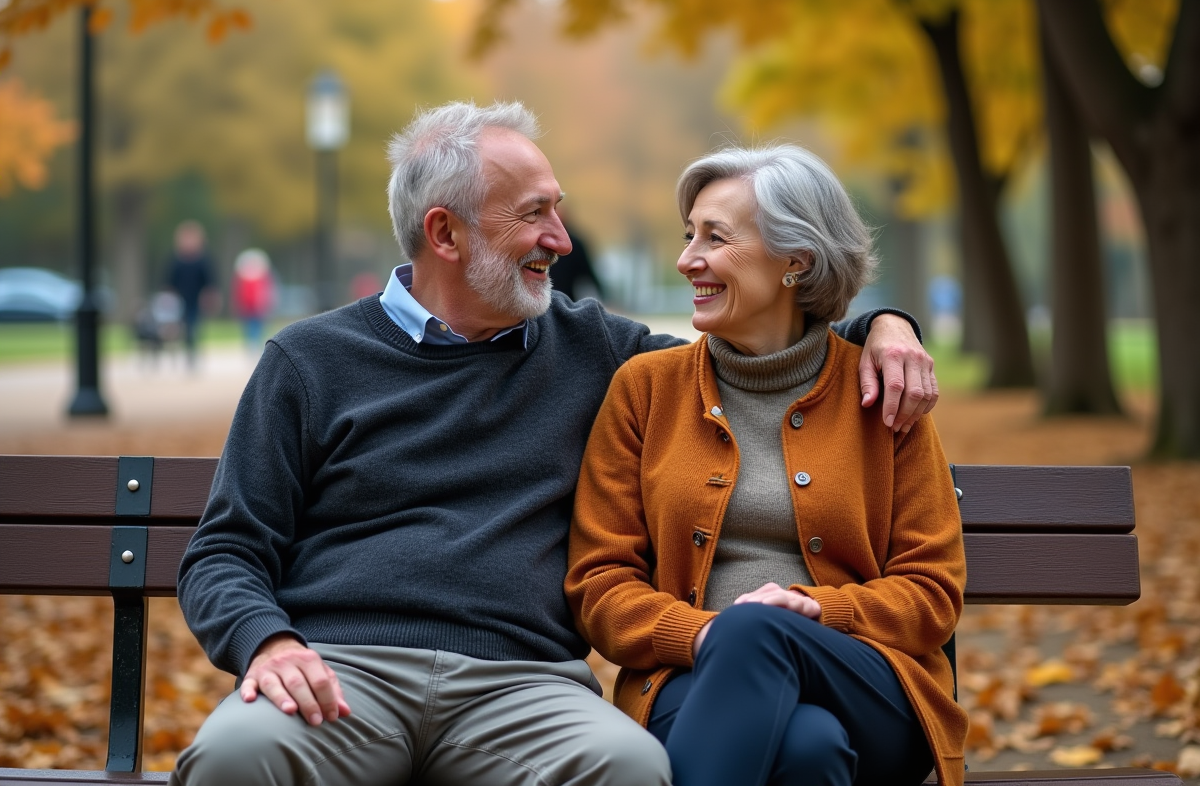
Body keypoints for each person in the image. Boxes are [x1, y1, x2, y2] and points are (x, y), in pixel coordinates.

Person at [171, 102, 938, 786]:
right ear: (445, 232)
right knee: (233, 759)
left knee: (630, 768)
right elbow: (224, 552)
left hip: (523, 686)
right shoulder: (309, 361)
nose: (562, 240)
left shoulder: (597, 351)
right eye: (534, 214)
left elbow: (763, 349)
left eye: (558, 211)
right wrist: (267, 644)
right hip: (340, 671)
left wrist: (885, 327)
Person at [566, 145, 966, 786]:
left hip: (869, 681)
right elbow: (600, 584)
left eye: (715, 237)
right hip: (687, 679)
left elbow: (932, 592)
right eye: (688, 235)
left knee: (757, 632)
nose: (687, 259)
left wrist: (816, 611)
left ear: (795, 261)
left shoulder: (883, 393)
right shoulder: (646, 389)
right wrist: (705, 636)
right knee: (808, 749)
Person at [166, 220, 216, 368]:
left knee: (192, 326)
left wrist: (209, 297)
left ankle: (192, 352)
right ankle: (182, 351)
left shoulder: (202, 260)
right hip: (179, 300)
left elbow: (209, 281)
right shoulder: (176, 260)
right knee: (178, 327)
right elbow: (170, 281)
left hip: (196, 299)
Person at [230, 248, 276, 352]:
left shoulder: (261, 278)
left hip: (258, 306)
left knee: (258, 325)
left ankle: (257, 343)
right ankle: (251, 343)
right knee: (249, 326)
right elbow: (239, 293)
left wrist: (265, 303)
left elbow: (266, 292)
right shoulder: (243, 278)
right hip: (248, 306)